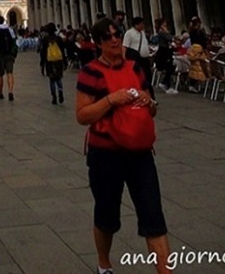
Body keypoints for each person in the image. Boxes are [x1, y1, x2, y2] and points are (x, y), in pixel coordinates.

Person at [76, 17, 170, 274]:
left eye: (117, 34)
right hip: (105, 155)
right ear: (99, 43)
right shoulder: (90, 72)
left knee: (154, 218)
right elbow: (82, 115)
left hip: (140, 153)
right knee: (107, 217)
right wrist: (110, 100)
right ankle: (104, 264)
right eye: (108, 37)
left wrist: (149, 102)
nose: (115, 39)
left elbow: (151, 108)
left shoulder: (136, 69)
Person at [0, 15, 18, 101]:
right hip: (9, 55)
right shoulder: (10, 30)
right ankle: (10, 91)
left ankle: (0, 92)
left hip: (0, 55)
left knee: (0, 74)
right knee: (10, 73)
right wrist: (14, 54)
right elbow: (14, 43)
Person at [122, 17, 153, 95]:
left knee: (148, 78)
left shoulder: (142, 33)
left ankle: (150, 96)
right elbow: (125, 46)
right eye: (142, 24)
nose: (143, 26)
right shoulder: (129, 33)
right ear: (136, 25)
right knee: (139, 78)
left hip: (145, 58)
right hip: (136, 58)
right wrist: (124, 59)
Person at [39, 23, 67, 105]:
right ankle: (60, 91)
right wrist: (64, 61)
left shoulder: (46, 39)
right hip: (58, 60)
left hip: (49, 61)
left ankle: (54, 97)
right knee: (59, 78)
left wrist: (42, 62)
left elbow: (43, 52)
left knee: (52, 80)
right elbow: (62, 51)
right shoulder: (58, 39)